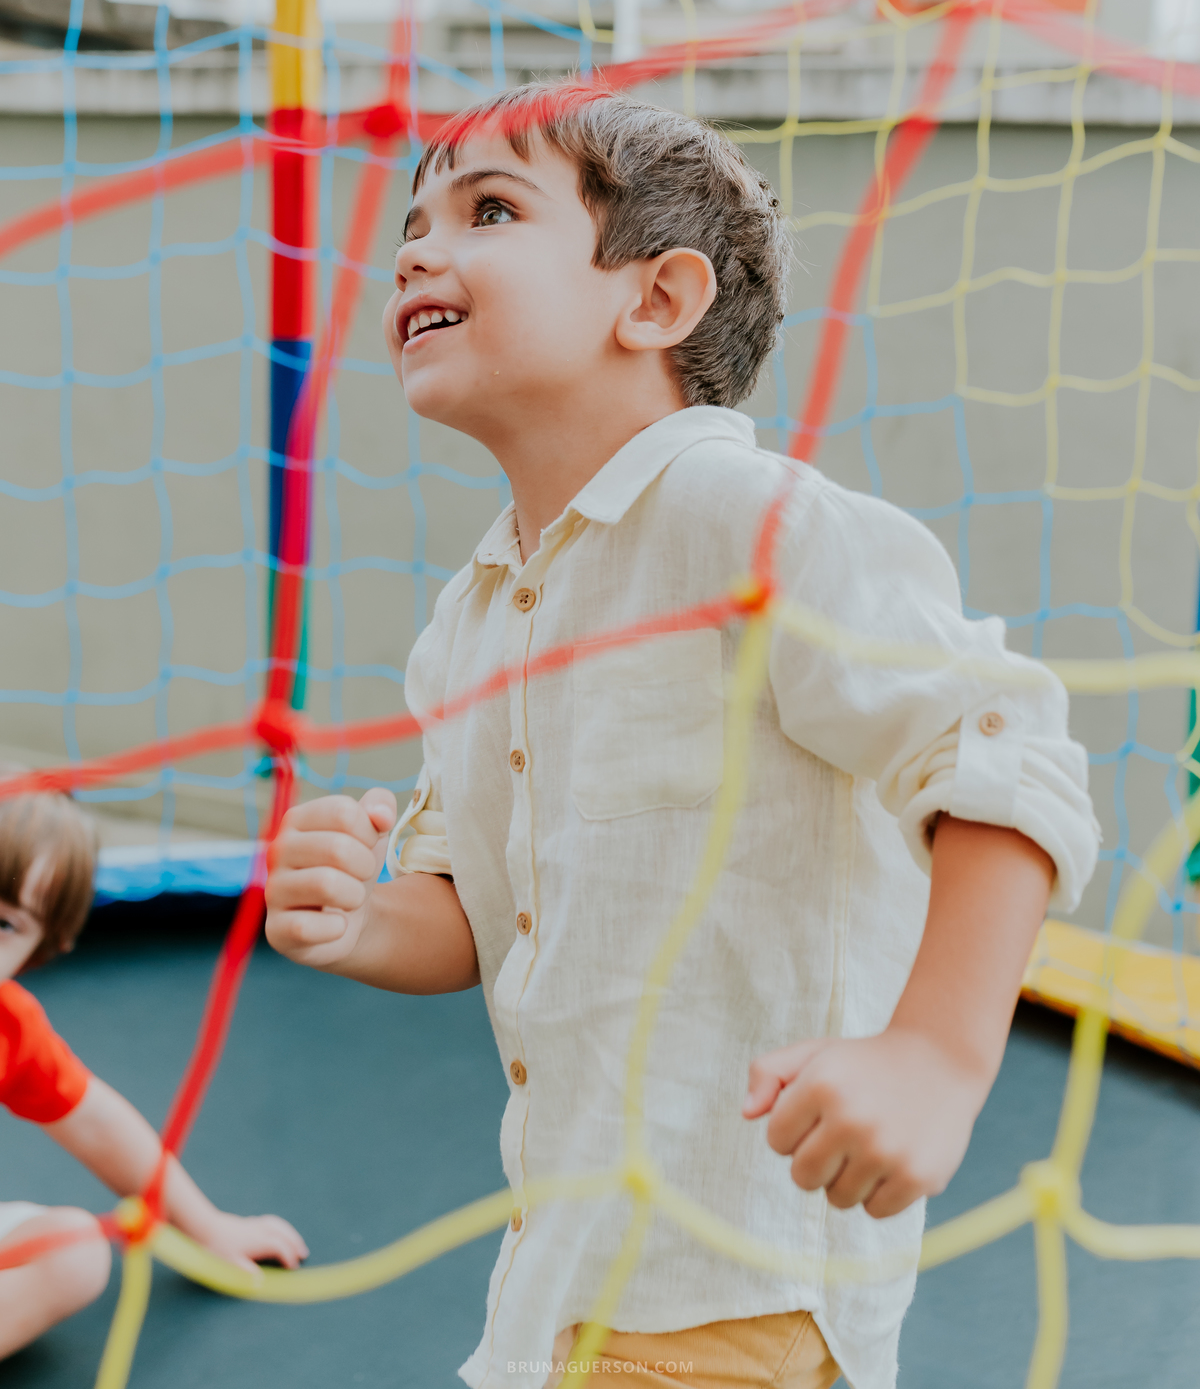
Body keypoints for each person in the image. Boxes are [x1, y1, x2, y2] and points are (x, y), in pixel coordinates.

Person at [265, 84, 1098, 1389]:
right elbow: (472, 910)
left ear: (656, 299)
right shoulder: (472, 614)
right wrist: (358, 919)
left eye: (489, 211)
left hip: (732, 1286)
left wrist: (935, 1052)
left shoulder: (746, 521)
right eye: (411, 227)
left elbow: (1005, 744)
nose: (418, 251)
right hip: (558, 1287)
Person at [0, 789, 307, 1359]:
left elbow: (97, 1124)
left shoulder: (9, 1029)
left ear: (36, 954)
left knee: (73, 1252)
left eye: (3, 923)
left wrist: (207, 1227)